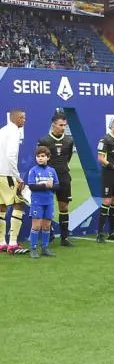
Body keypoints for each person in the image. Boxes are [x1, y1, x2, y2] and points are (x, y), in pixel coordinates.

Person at [37, 112, 76, 246]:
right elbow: (40, 159)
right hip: (48, 177)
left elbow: (68, 157)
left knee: (64, 206)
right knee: (46, 205)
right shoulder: (44, 140)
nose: (63, 127)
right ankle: (49, 233)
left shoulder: (69, 140)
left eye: (65, 125)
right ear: (53, 124)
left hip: (64, 176)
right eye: (60, 125)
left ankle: (65, 238)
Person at [0, 109, 27, 254]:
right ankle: (12, 242)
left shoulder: (2, 130)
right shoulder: (14, 132)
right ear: (16, 119)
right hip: (8, 174)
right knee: (19, 204)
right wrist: (17, 176)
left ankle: (1, 242)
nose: (24, 120)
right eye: (22, 118)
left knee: (1, 207)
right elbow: (11, 156)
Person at [26, 145, 58, 258]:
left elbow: (57, 186)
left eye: (43, 156)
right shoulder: (33, 170)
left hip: (49, 202)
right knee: (36, 226)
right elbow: (32, 186)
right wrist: (45, 185)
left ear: (48, 157)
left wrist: (51, 186)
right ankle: (33, 248)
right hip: (37, 202)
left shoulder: (52, 171)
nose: (40, 158)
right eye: (38, 156)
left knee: (47, 226)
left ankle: (45, 248)